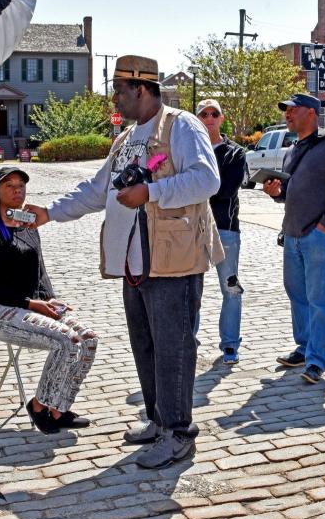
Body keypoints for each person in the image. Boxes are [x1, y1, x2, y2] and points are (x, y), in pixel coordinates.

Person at [24, 55, 222, 469]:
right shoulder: (127, 137)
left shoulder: (181, 125)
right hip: (136, 261)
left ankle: (178, 432)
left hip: (173, 260)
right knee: (146, 344)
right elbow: (99, 190)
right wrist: (51, 213)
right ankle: (157, 419)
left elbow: (207, 179)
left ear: (142, 88)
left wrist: (151, 192)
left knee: (174, 348)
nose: (115, 97)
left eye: (119, 90)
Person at [0, 166, 98, 434]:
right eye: (9, 186)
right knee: (67, 340)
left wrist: (51, 301)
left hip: (33, 305)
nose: (17, 191)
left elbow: (39, 270)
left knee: (88, 338)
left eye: (21, 186)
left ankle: (59, 408)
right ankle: (39, 406)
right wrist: (32, 304)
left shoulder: (28, 223)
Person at [262, 93, 325, 384]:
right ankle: (304, 349)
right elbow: (289, 193)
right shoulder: (293, 150)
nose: (287, 114)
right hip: (291, 236)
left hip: (317, 237)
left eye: (293, 110)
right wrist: (276, 193)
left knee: (319, 300)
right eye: (286, 110)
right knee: (298, 296)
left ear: (311, 113)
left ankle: (317, 360)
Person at [192, 98, 247, 365]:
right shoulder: (187, 150)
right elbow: (160, 168)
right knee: (190, 289)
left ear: (221, 119)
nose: (210, 118)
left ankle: (230, 345)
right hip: (191, 229)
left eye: (215, 113)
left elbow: (225, 190)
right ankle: (187, 340)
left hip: (225, 230)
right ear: (197, 119)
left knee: (231, 288)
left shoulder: (235, 153)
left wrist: (192, 188)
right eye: (204, 114)